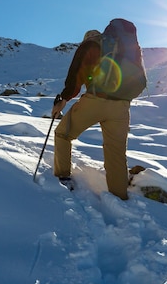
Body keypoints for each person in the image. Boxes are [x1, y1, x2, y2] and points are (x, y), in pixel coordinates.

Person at [51, 29, 131, 200]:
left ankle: (64, 178)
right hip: (122, 105)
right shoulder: (120, 50)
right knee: (115, 152)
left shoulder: (89, 45)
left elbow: (76, 77)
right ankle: (120, 196)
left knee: (62, 134)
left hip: (96, 99)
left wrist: (63, 99)